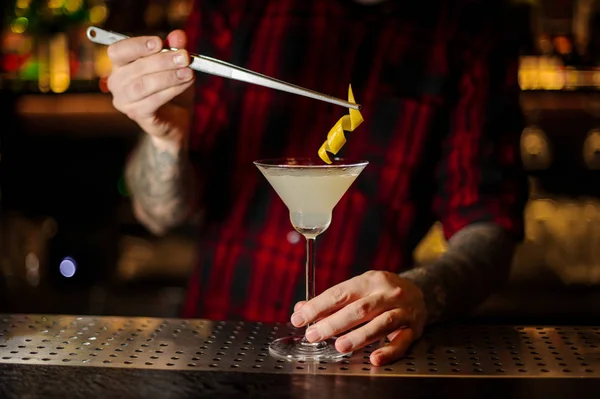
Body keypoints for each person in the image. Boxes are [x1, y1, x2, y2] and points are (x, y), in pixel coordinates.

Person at [106, 0, 528, 366]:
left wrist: (423, 292)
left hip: (360, 355)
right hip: (216, 347)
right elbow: (158, 212)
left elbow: (488, 223)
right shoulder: (238, 7)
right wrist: (166, 139)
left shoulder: (468, 27)